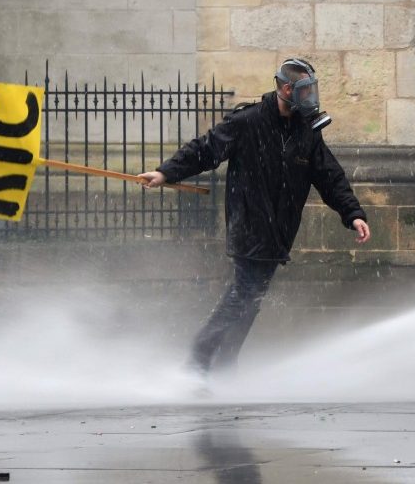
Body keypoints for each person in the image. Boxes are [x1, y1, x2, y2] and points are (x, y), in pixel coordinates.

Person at [137, 58, 370, 381]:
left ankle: (225, 363)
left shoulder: (307, 132)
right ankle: (200, 357)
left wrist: (353, 214)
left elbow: (330, 176)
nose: (311, 97)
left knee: (252, 298)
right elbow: (205, 149)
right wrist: (166, 172)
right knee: (245, 293)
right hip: (249, 223)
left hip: (280, 232)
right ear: (287, 89)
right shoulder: (248, 122)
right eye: (305, 91)